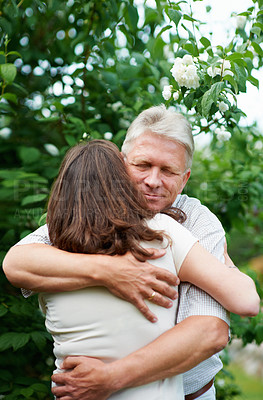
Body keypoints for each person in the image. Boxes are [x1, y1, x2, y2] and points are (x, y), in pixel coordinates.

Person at [3, 105, 259, 400]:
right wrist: (110, 272)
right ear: (121, 164)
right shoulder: (85, 218)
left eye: (168, 171)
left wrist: (111, 379)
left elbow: (210, 332)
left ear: (185, 178)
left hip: (187, 394)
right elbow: (17, 263)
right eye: (143, 165)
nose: (153, 181)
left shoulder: (196, 222)